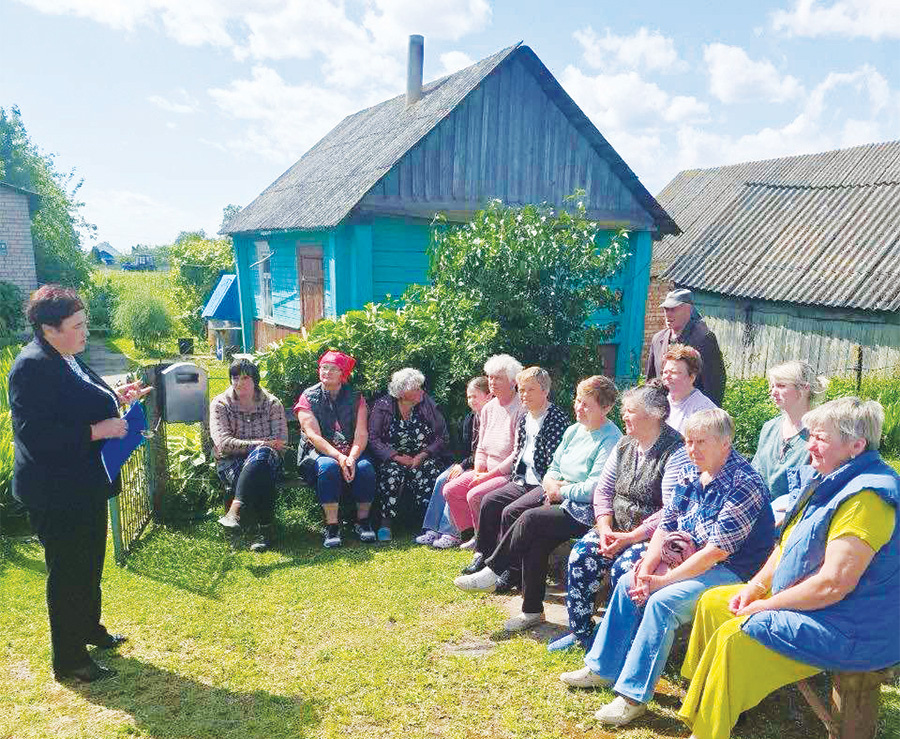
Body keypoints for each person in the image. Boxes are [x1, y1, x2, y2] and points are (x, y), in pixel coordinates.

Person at [678, 398, 898, 739]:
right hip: (823, 608)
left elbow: (833, 584)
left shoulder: (867, 498)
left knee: (736, 635)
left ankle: (708, 731)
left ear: (856, 446)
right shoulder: (829, 477)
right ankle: (713, 702)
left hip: (854, 626)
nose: (809, 445)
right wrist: (754, 589)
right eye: (811, 436)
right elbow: (787, 544)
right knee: (714, 603)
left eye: (821, 438)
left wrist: (765, 605)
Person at [560, 408, 775, 728]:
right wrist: (647, 568)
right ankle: (603, 668)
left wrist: (663, 581)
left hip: (734, 571)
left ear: (725, 443)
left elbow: (717, 552)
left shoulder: (744, 483)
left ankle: (633, 697)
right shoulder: (692, 471)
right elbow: (666, 524)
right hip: (689, 557)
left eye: (701, 442)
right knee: (629, 582)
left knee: (662, 602)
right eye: (688, 441)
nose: (692, 449)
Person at [9, 285, 151, 682]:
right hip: (56, 491)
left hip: (84, 484)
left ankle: (88, 628)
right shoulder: (31, 367)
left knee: (89, 564)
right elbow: (35, 434)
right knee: (69, 572)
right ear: (48, 328)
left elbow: (76, 400)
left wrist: (116, 397)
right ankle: (70, 660)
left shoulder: (66, 355)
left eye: (85, 323)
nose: (85, 332)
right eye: (77, 326)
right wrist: (96, 430)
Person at [454, 376, 621, 632]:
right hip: (558, 497)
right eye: (577, 401)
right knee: (536, 540)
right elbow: (553, 466)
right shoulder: (574, 430)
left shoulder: (610, 439)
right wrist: (552, 482)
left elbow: (594, 488)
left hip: (587, 512)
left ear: (606, 408)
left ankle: (493, 570)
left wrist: (562, 490)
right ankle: (531, 611)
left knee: (530, 519)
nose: (578, 408)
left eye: (586, 404)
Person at [553, 383, 687, 651]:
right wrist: (604, 528)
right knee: (581, 555)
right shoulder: (625, 444)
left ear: (654, 414)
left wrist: (631, 537)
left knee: (624, 569)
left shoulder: (675, 451)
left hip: (651, 537)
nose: (624, 416)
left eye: (630, 411)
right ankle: (582, 634)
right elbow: (603, 490)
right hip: (615, 529)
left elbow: (671, 509)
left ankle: (618, 643)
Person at [455, 367, 573, 586]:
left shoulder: (555, 418)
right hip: (521, 479)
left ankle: (513, 571)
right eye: (522, 390)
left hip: (542, 483)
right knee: (489, 501)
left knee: (511, 511)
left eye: (530, 390)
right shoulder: (525, 417)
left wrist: (547, 486)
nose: (524, 395)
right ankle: (483, 555)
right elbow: (519, 453)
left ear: (545, 391)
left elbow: (555, 464)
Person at [295, 350, 376, 548]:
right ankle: (332, 526)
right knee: (328, 467)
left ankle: (362, 521)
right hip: (317, 453)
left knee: (365, 468)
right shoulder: (308, 397)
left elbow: (361, 433)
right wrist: (340, 457)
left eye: (333, 369)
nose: (326, 372)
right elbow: (313, 436)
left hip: (351, 451)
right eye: (323, 368)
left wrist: (352, 457)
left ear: (343, 374)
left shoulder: (356, 397)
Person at [443, 354, 525, 543]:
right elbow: (481, 446)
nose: (492, 382)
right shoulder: (488, 408)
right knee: (450, 489)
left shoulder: (521, 408)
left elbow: (517, 453)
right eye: (490, 377)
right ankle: (470, 535)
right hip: (486, 469)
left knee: (475, 494)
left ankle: (485, 541)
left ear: (513, 381)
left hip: (508, 473)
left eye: (498, 378)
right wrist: (479, 470)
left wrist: (488, 476)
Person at [211, 358, 289, 552]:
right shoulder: (221, 403)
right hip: (232, 462)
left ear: (255, 380)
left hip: (269, 460)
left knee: (262, 458)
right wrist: (262, 443)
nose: (239, 383)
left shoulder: (272, 403)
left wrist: (260, 447)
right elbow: (224, 444)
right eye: (235, 378)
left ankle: (236, 511)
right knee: (260, 471)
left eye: (245, 378)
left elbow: (280, 443)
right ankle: (264, 530)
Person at [368, 368, 449, 541]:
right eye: (416, 389)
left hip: (422, 456)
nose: (422, 392)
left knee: (429, 471)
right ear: (402, 393)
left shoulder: (426, 404)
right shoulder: (383, 406)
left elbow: (442, 437)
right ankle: (385, 524)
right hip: (393, 457)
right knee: (391, 473)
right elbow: (374, 439)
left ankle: (429, 524)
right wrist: (396, 457)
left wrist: (423, 455)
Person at [416, 376, 492, 549]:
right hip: (468, 463)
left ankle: (451, 532)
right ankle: (431, 528)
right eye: (469, 397)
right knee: (442, 478)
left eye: (475, 396)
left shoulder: (492, 417)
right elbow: (465, 450)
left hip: (483, 465)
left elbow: (485, 451)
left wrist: (463, 466)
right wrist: (460, 465)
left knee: (454, 483)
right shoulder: (470, 418)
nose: (471, 401)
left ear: (488, 396)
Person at [752, 360, 826, 503]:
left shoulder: (821, 433)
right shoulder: (769, 428)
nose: (773, 392)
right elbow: (755, 474)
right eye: (772, 386)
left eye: (781, 386)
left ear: (804, 388)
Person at [646, 289, 726, 406]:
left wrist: (708, 413)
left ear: (688, 309)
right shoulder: (658, 339)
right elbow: (651, 379)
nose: (668, 314)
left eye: (673, 309)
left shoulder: (703, 339)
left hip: (693, 410)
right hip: (663, 410)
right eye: (666, 309)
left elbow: (714, 383)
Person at [661, 344, 717, 433]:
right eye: (665, 372)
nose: (667, 377)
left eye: (674, 372)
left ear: (691, 377)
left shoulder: (704, 410)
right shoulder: (659, 402)